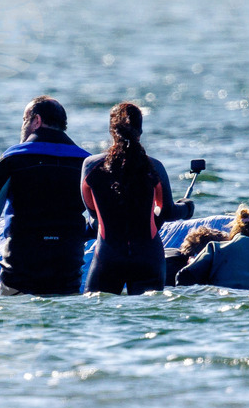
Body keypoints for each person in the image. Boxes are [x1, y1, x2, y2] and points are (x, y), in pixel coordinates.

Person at [0, 96, 91, 295]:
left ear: (36, 121)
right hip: (67, 263)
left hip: (22, 266)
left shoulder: (14, 158)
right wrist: (82, 234)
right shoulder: (86, 162)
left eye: (24, 121)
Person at [81, 102, 195, 294]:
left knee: (99, 314)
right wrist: (187, 208)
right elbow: (167, 211)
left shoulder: (90, 166)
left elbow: (94, 214)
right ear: (140, 131)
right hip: (148, 257)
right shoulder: (154, 167)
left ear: (111, 130)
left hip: (108, 257)